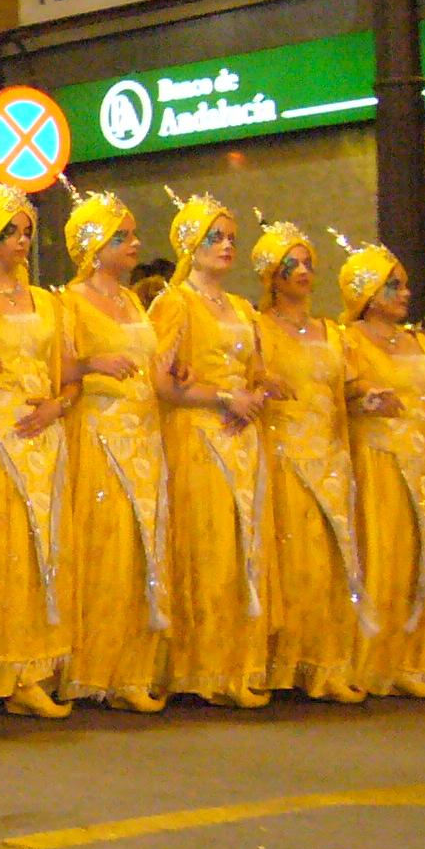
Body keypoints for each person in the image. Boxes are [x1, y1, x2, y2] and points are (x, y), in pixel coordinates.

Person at [149, 194, 273, 707]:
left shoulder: (242, 308)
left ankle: (237, 665)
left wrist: (258, 395)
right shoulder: (175, 302)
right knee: (208, 547)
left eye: (230, 239)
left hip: (242, 439)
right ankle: (201, 667)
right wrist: (223, 397)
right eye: (214, 237)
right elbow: (159, 380)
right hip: (197, 437)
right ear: (189, 244)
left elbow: (257, 374)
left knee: (244, 547)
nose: (225, 247)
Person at [0, 184, 73, 718]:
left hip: (44, 436)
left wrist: (57, 406)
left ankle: (36, 667)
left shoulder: (48, 301)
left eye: (27, 231)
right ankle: (2, 667)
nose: (22, 240)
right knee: (2, 553)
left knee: (41, 551)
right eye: (11, 231)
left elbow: (69, 375)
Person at [342, 246, 425, 698]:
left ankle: (415, 660)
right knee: (383, 558)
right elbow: (339, 395)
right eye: (392, 286)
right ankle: (373, 660)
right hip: (377, 463)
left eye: (403, 284)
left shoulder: (421, 343)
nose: (404, 293)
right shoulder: (348, 340)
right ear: (366, 292)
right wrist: (365, 400)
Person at [61, 192, 170, 712]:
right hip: (98, 438)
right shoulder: (69, 302)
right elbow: (54, 370)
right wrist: (91, 364)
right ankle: (90, 668)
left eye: (132, 236)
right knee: (102, 553)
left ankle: (131, 671)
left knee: (139, 553)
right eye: (121, 236)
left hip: (143, 437)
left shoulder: (132, 302)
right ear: (92, 244)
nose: (134, 244)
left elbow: (151, 367)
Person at [250, 222, 364, 703]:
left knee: (334, 563)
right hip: (283, 456)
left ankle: (327, 662)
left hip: (331, 455)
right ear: (272, 275)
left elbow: (348, 387)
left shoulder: (332, 332)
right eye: (289, 264)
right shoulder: (256, 328)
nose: (301, 271)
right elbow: (241, 375)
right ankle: (284, 661)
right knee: (296, 561)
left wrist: (369, 397)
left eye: (306, 262)